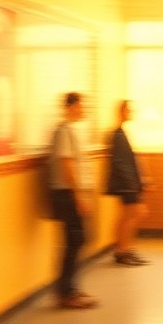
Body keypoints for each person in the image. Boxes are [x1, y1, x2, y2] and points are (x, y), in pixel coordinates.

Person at [49, 92, 98, 309]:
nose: (83, 109)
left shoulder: (69, 131)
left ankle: (70, 288)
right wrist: (78, 196)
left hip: (70, 194)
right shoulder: (64, 132)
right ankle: (66, 292)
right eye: (80, 105)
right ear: (71, 107)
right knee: (73, 242)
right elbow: (67, 165)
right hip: (67, 194)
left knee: (76, 241)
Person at [107, 99, 151, 266]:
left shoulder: (123, 133)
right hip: (126, 184)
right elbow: (121, 163)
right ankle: (121, 250)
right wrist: (132, 184)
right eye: (128, 110)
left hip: (130, 182)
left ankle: (126, 248)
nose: (131, 112)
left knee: (134, 215)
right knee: (131, 215)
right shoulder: (118, 135)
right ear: (121, 112)